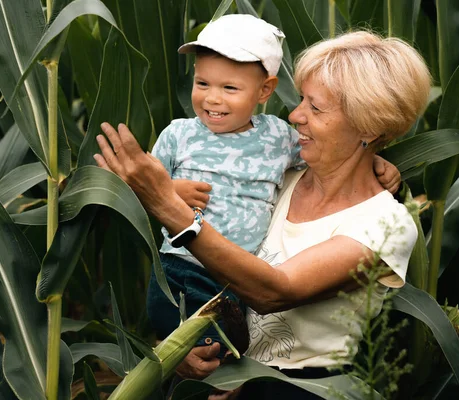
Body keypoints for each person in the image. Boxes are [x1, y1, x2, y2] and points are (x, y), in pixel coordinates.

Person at [145, 14, 401, 360]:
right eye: (300, 99)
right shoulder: (287, 178)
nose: (294, 116)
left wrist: (177, 216)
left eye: (315, 106)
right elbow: (147, 182)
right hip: (192, 291)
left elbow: (273, 293)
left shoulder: (385, 224)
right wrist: (175, 354)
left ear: (367, 126)